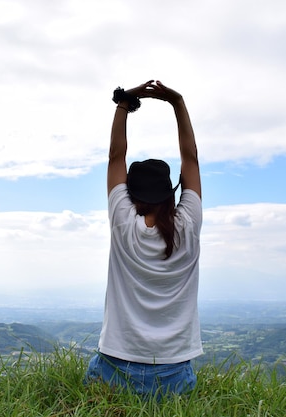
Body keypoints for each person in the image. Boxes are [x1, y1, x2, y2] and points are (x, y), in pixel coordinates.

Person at [85, 80, 203, 397]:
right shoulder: (189, 223)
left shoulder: (123, 221)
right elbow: (190, 158)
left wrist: (124, 103)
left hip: (115, 368)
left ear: (131, 194)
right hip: (174, 372)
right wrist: (177, 102)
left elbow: (115, 157)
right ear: (170, 193)